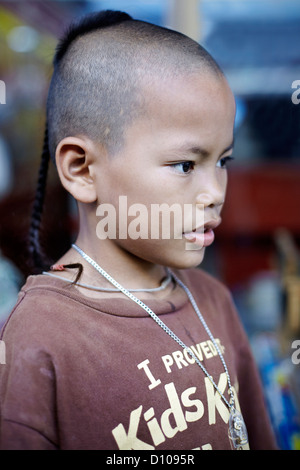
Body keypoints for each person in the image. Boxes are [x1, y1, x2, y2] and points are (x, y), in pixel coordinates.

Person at [0, 10, 277, 450]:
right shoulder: (40, 338)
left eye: (223, 161)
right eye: (185, 164)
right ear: (82, 169)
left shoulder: (213, 300)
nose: (214, 192)